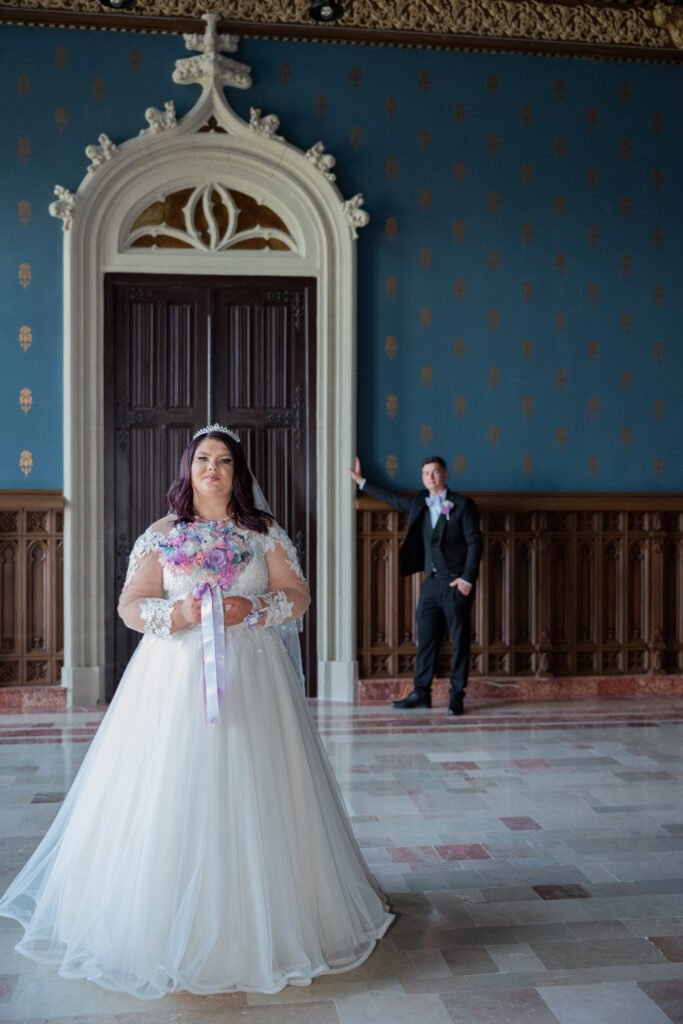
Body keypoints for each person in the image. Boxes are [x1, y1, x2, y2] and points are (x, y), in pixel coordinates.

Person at [0, 426, 392, 998]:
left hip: (254, 679)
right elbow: (131, 605)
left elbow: (298, 595)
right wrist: (177, 615)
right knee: (170, 787)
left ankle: (268, 917)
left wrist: (253, 607)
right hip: (173, 680)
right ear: (188, 468)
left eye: (225, 460)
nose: (213, 468)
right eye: (203, 458)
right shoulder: (163, 534)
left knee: (258, 789)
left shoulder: (262, 532)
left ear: (238, 472)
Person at [350, 455, 482, 716]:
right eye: (425, 473)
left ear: (445, 475)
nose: (430, 477)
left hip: (456, 583)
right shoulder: (419, 503)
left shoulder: (463, 505)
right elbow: (392, 499)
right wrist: (361, 482)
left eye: (435, 472)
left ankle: (457, 695)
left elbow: (475, 542)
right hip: (431, 583)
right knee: (426, 639)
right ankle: (422, 693)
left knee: (459, 639)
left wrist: (467, 579)